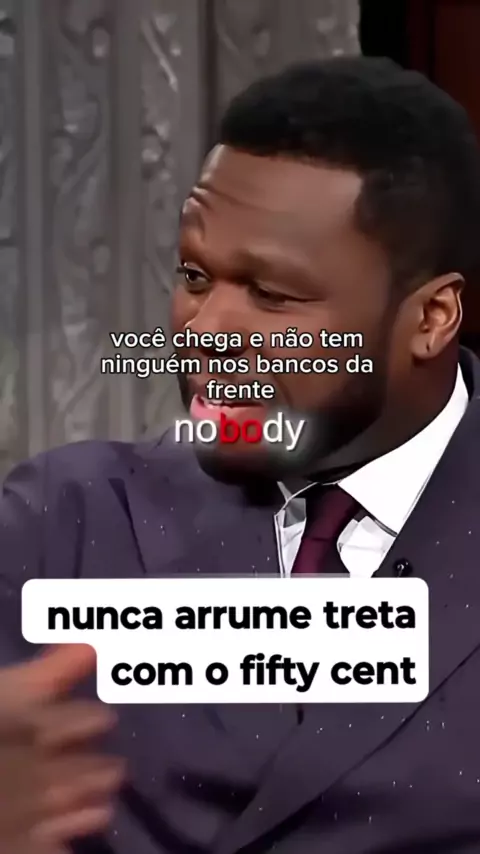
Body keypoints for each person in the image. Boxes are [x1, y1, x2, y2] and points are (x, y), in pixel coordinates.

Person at [1, 55, 480, 854]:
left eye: (271, 294)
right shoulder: (63, 521)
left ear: (431, 318)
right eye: (196, 276)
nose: (205, 329)